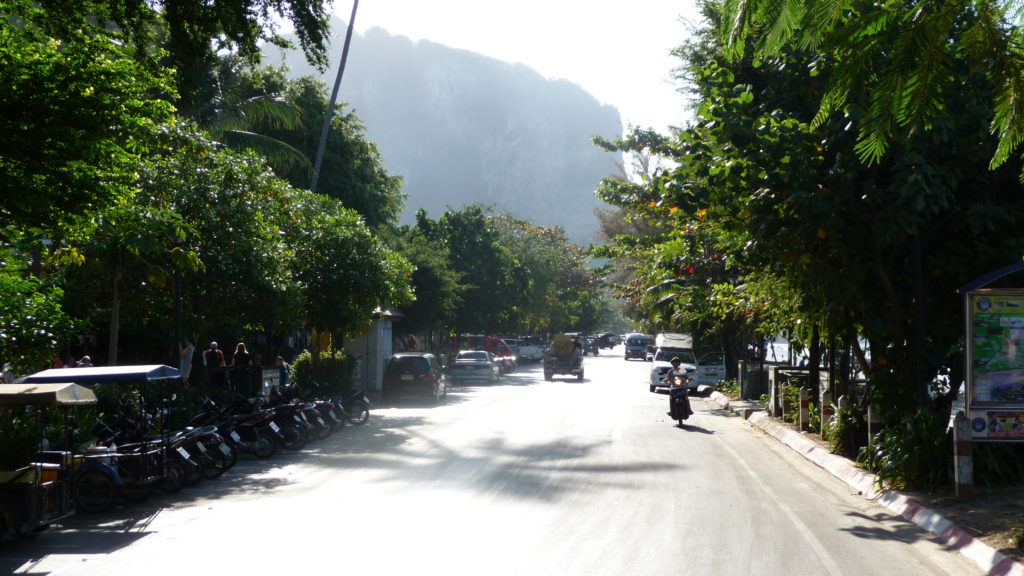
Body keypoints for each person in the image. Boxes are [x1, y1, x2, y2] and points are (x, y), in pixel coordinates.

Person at [665, 357, 693, 425]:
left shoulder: (683, 371)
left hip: (682, 387)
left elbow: (687, 377)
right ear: (672, 364)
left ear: (679, 364)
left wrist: (688, 379)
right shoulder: (670, 371)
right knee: (671, 398)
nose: (675, 364)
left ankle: (689, 409)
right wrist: (667, 381)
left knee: (686, 397)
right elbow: (668, 378)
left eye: (677, 363)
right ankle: (671, 410)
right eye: (674, 363)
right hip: (673, 388)